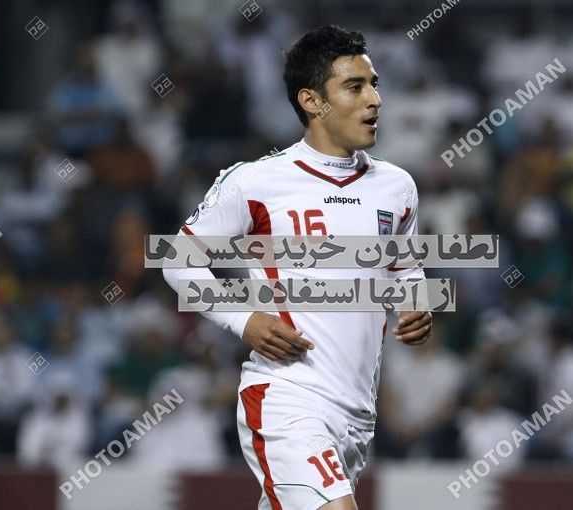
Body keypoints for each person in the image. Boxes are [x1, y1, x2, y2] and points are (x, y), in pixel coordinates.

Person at [163, 25, 432, 510]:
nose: (375, 100)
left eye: (374, 85)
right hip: (287, 398)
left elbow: (402, 269)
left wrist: (415, 304)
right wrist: (243, 318)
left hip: (357, 414)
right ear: (312, 101)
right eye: (354, 87)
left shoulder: (397, 187)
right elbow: (178, 262)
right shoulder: (256, 182)